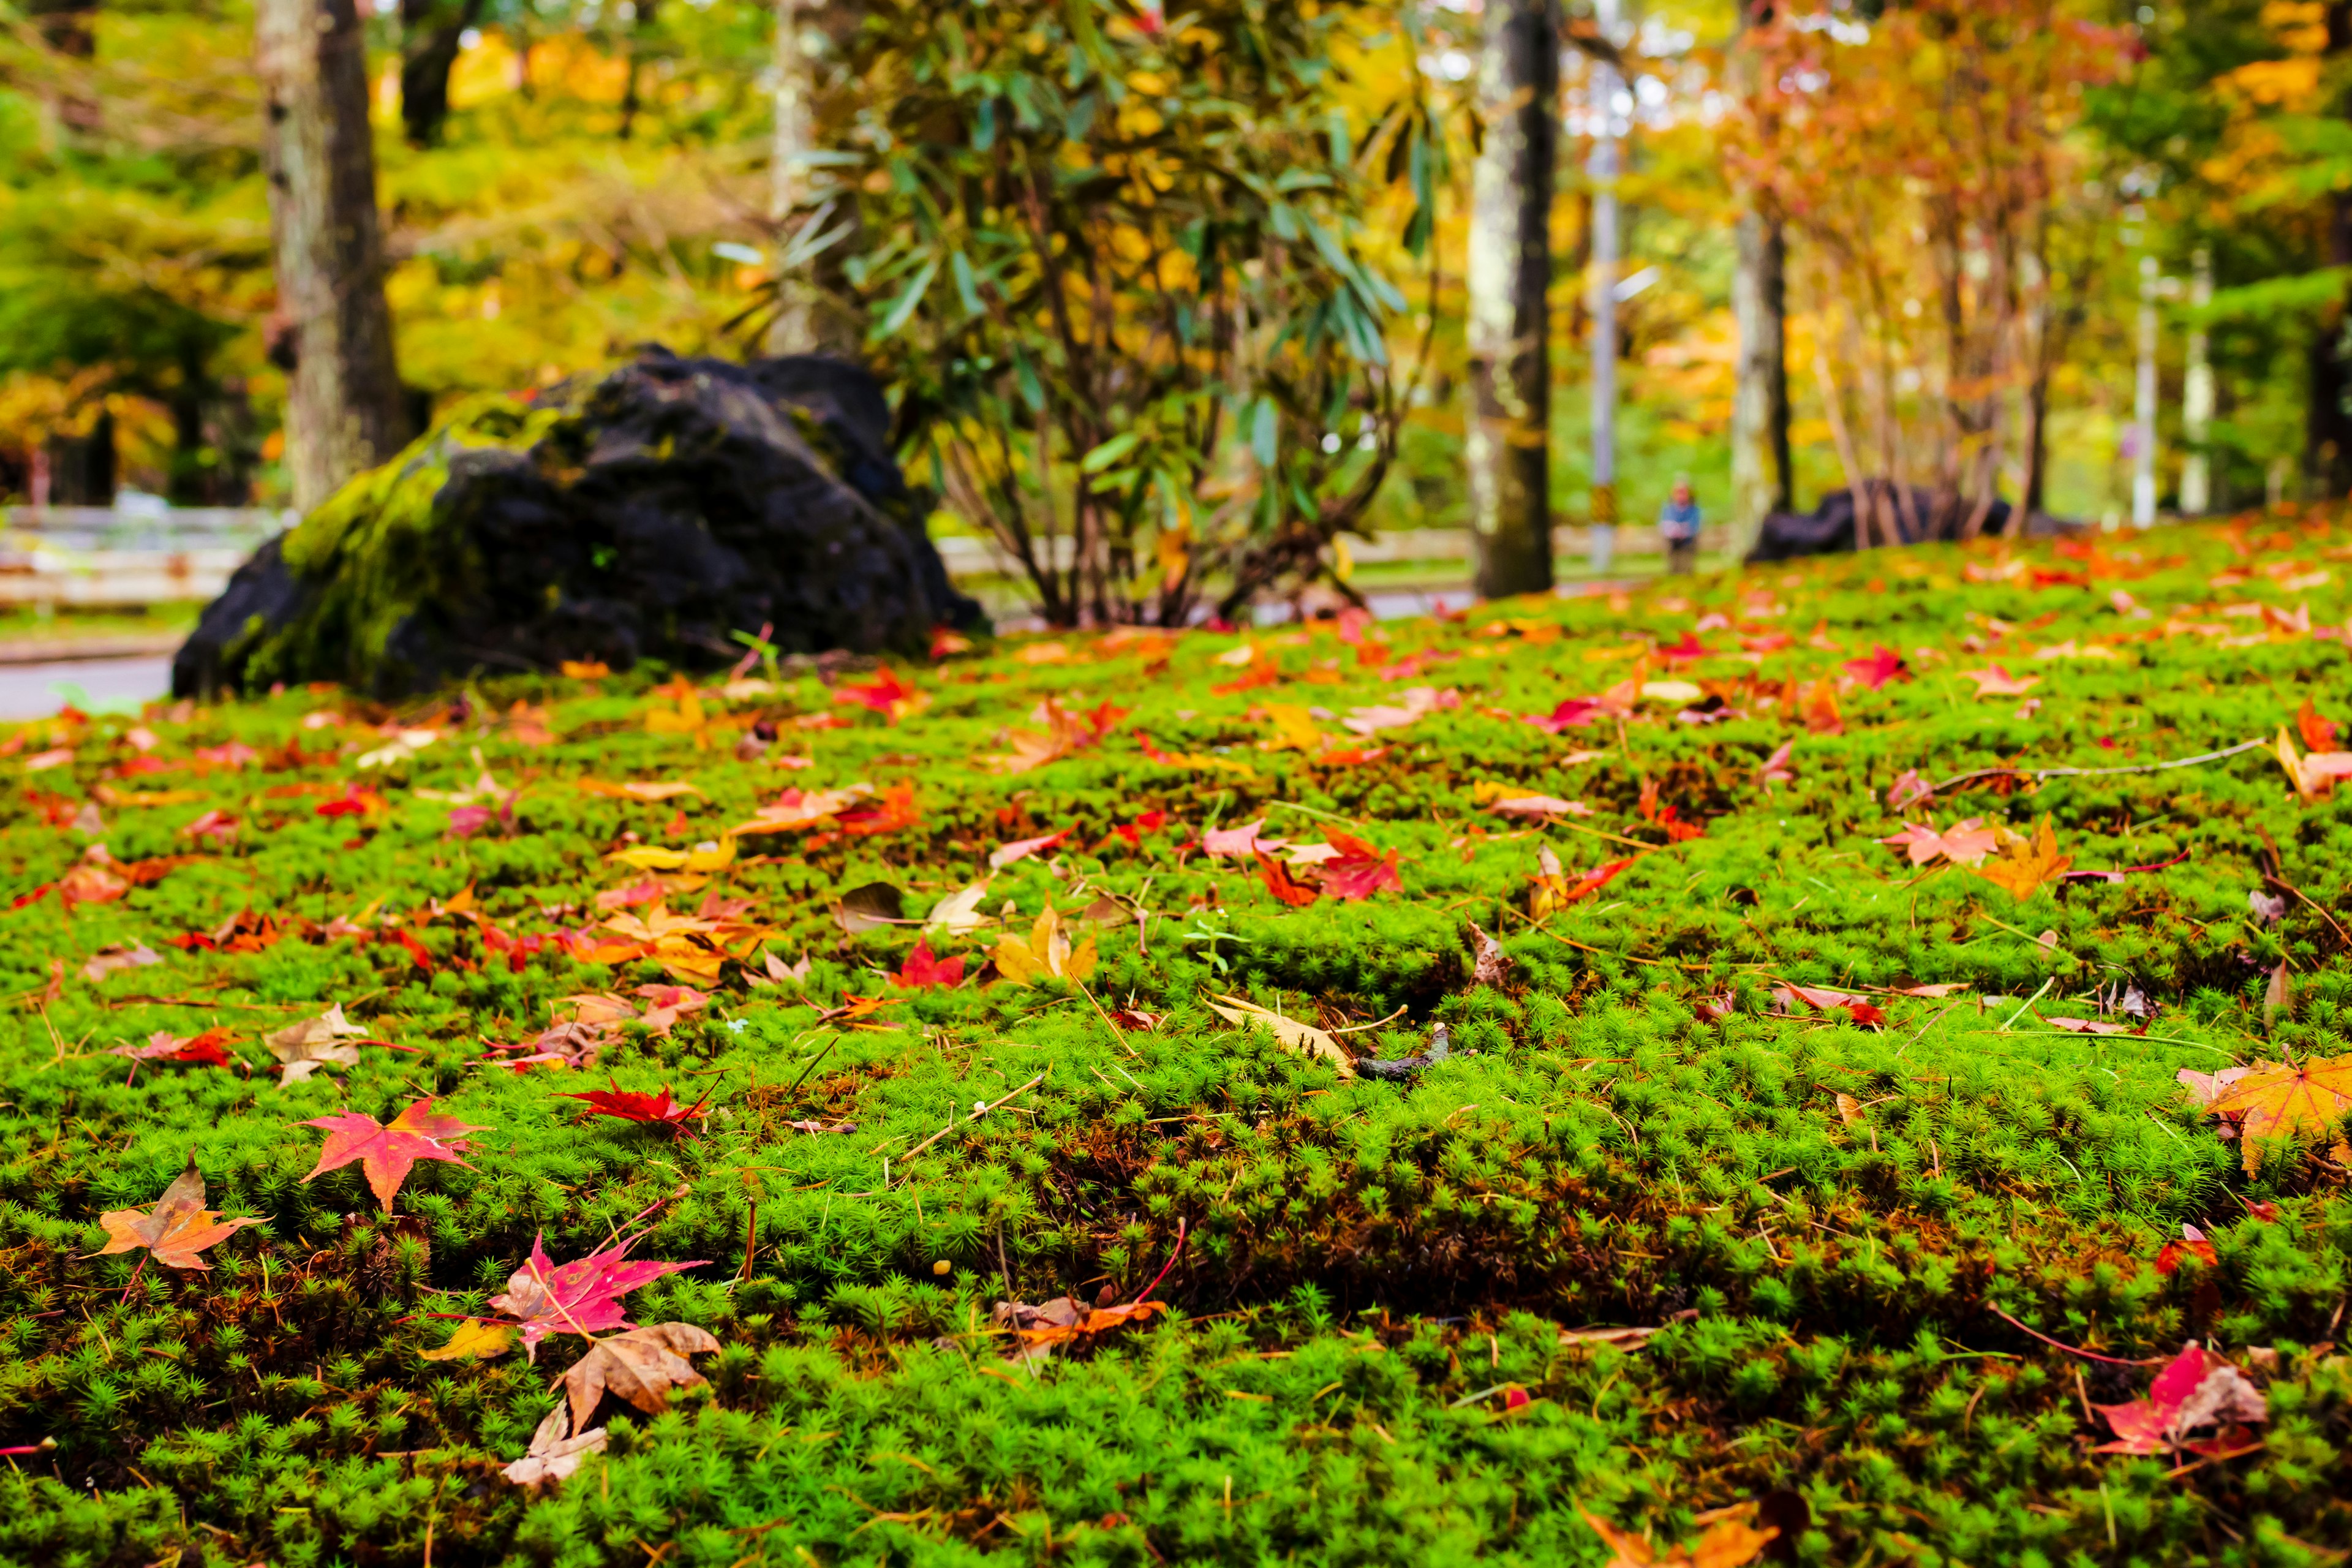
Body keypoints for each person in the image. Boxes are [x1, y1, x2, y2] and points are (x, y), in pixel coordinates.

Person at [1659, 476, 1702, 575]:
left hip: (1688, 540)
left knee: (1688, 552)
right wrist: (1673, 529)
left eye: (1684, 492)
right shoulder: (1669, 508)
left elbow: (1694, 525)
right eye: (1678, 492)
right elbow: (1664, 524)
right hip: (1672, 540)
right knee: (1669, 547)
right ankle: (1672, 572)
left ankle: (1687, 572)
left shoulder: (1693, 509)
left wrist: (1684, 530)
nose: (1681, 495)